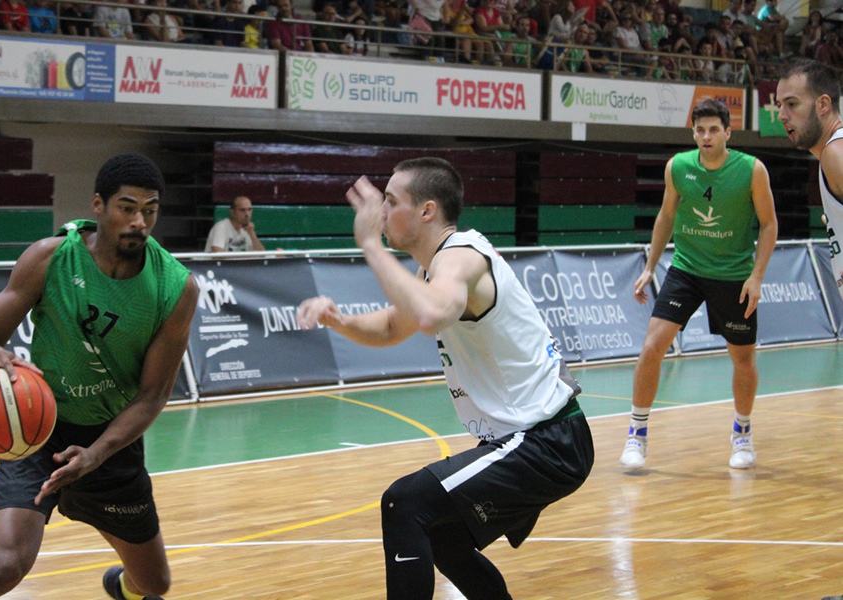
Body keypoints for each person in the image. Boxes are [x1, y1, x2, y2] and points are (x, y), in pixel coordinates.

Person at [297, 158, 594, 599]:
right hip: (537, 440)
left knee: (405, 503)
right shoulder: (436, 267)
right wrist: (337, 320)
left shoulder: (462, 257)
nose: (381, 213)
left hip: (543, 440)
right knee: (441, 537)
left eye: (391, 202)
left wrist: (371, 247)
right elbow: (391, 327)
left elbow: (432, 315)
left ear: (427, 211)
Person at [0, 153, 198, 600]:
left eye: (149, 211)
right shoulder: (49, 258)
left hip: (110, 440)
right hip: (38, 431)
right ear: (98, 204)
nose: (138, 222)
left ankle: (120, 587)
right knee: (3, 566)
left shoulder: (176, 287)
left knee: (154, 585)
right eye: (126, 208)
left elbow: (152, 397)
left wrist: (95, 454)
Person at [620, 99, 777, 472]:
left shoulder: (752, 170)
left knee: (742, 358)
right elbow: (667, 215)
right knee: (652, 347)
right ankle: (636, 436)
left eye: (713, 130)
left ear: (728, 133)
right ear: (693, 133)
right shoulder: (678, 166)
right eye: (699, 130)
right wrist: (650, 267)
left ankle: (742, 433)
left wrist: (756, 277)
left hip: (733, 274)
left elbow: (769, 225)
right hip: (686, 270)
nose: (706, 137)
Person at [777, 59, 843, 302]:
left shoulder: (835, 153)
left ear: (823, 104)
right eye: (780, 105)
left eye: (791, 104)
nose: (781, 115)